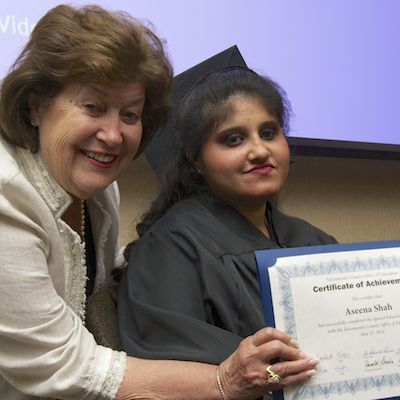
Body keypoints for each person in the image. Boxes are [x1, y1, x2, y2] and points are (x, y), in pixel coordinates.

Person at [0, 5, 317, 400]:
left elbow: (86, 274)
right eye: (93, 107)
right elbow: (63, 366)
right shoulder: (6, 197)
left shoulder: (100, 193)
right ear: (34, 105)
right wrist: (224, 381)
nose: (114, 136)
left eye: (130, 114)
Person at [118, 66, 337, 397]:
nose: (259, 150)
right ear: (195, 158)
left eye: (269, 132)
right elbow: (162, 372)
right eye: (233, 139)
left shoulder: (312, 241)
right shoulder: (170, 248)